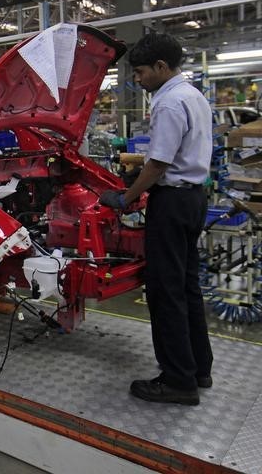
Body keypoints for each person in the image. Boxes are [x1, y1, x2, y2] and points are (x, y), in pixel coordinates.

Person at [99, 32, 213, 406]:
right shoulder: (194, 95)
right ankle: (199, 368)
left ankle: (178, 382)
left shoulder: (167, 103)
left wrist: (125, 198)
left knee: (165, 292)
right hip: (195, 197)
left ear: (162, 67)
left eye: (142, 72)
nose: (138, 79)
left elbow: (160, 163)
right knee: (187, 286)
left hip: (172, 201)